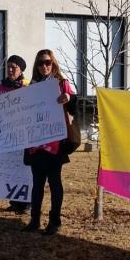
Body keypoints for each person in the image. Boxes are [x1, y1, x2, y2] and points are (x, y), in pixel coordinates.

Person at [22, 49, 77, 236]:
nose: (44, 66)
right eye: (40, 63)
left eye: (47, 62)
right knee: (37, 183)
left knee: (55, 183)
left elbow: (74, 104)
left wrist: (68, 98)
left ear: (53, 64)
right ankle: (35, 220)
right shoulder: (31, 87)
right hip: (36, 144)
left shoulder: (62, 84)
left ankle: (54, 222)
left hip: (55, 144)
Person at [0, 55, 30, 214]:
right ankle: (15, 201)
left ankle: (26, 202)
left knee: (24, 169)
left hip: (23, 134)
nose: (10, 70)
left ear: (21, 69)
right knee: (10, 168)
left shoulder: (27, 86)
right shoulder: (1, 87)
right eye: (8, 67)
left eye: (13, 67)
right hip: (6, 134)